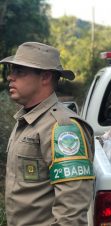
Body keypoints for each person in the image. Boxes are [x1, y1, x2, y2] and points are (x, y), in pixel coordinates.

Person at [0, 42, 95, 226]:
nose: (11, 77)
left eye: (20, 71)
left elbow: (71, 212)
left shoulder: (63, 128)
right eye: (12, 71)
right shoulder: (26, 121)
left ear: (45, 77)